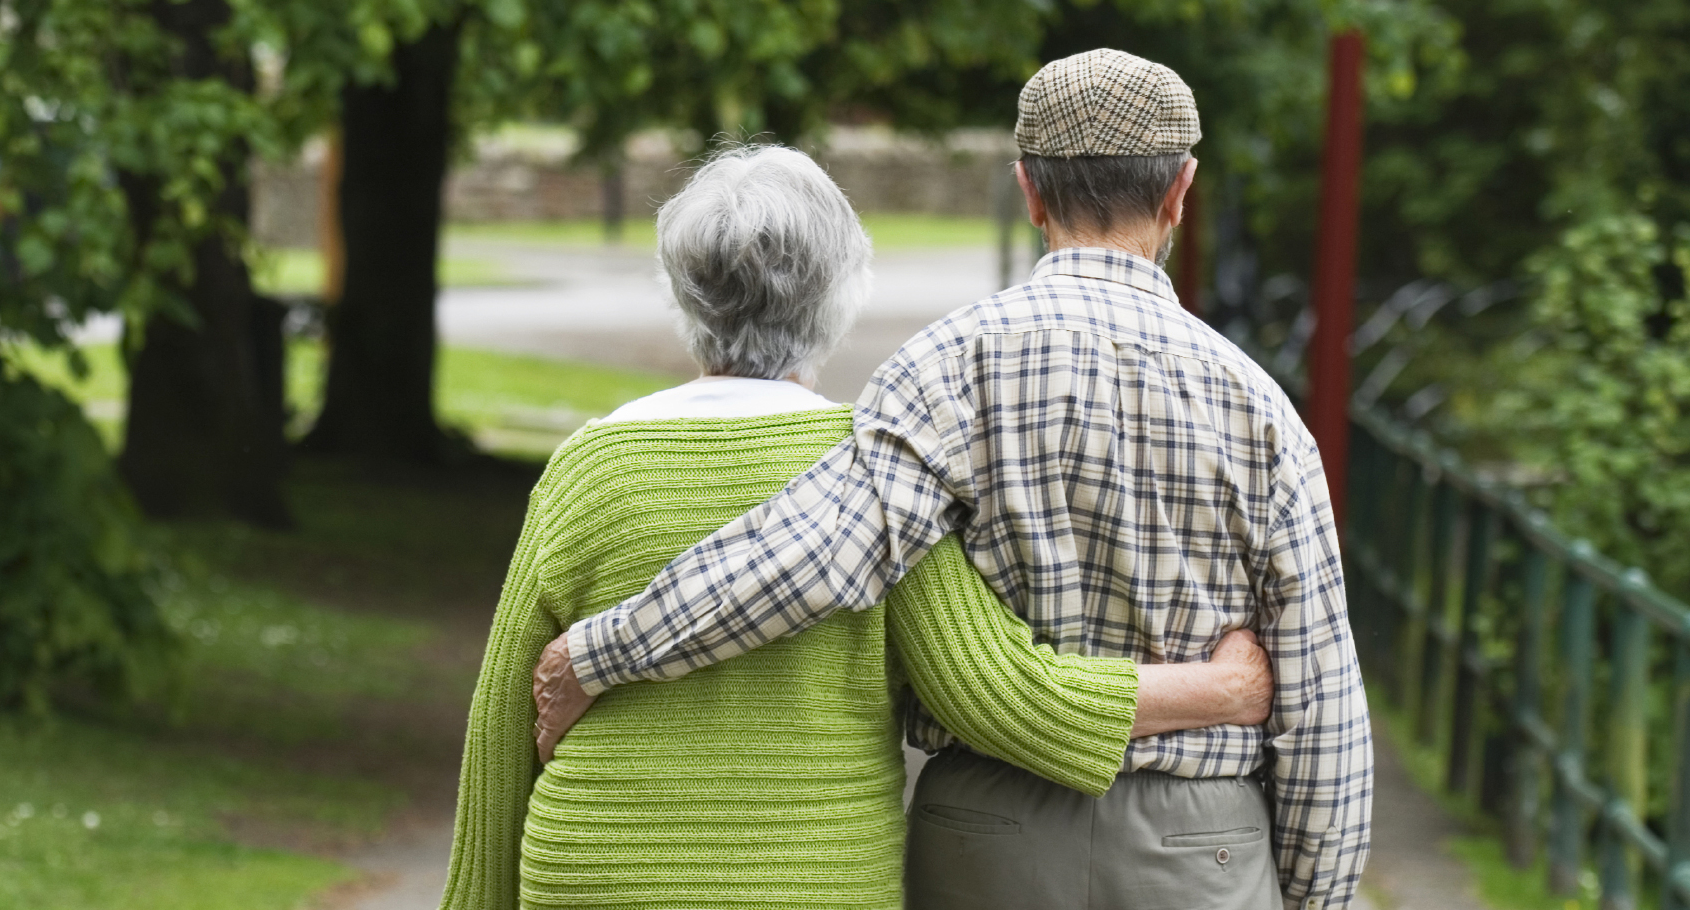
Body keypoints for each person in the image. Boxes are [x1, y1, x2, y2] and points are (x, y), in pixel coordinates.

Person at [536, 50, 1374, 910]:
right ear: (1179, 192)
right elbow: (1321, 706)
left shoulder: (945, 368)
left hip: (987, 836)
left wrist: (601, 653)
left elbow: (808, 555)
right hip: (1202, 848)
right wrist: (1317, 896)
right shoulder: (1262, 410)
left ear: (1028, 190)